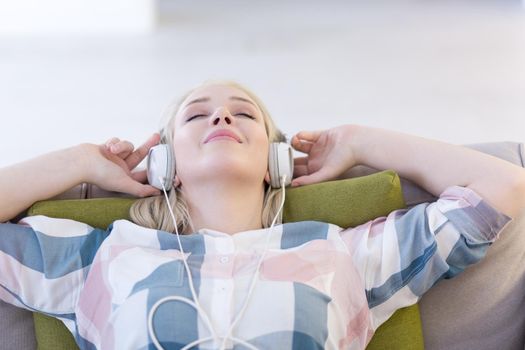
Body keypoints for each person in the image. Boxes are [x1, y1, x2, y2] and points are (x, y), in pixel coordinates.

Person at [0, 80, 523, 350]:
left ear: (275, 162)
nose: (223, 115)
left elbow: (504, 187)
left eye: (244, 112)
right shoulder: (105, 257)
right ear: (165, 164)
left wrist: (361, 141)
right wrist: (76, 162)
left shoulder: (339, 254)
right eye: (198, 114)